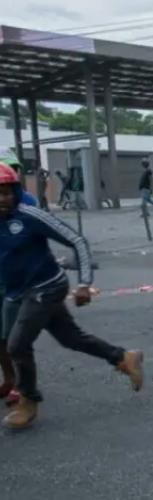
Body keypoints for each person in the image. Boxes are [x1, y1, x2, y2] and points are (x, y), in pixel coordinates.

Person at [0, 163, 144, 429]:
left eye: (6, 192)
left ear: (15, 191)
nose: (2, 199)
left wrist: (84, 284)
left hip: (46, 287)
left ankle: (28, 401)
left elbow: (77, 240)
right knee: (71, 339)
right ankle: (124, 357)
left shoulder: (29, 215)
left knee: (17, 345)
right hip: (17, 291)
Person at [0, 159, 38, 407]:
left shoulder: (28, 204)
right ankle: (9, 378)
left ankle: (24, 387)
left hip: (19, 281)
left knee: (14, 338)